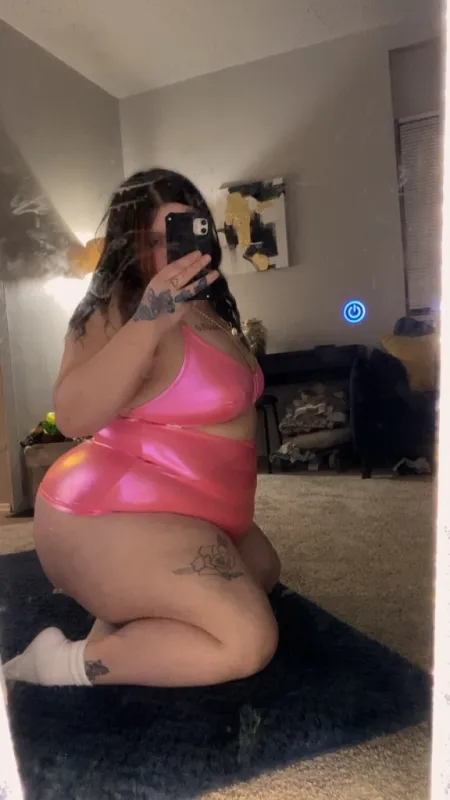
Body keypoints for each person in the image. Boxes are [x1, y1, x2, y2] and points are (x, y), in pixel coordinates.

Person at [4, 168, 280, 689]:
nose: (169, 250)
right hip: (110, 513)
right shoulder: (114, 311)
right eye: (153, 240)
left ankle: (121, 619)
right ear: (127, 245)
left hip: (196, 511)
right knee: (246, 640)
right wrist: (149, 323)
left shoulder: (209, 305)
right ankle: (58, 664)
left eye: (183, 229)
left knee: (263, 570)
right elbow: (73, 415)